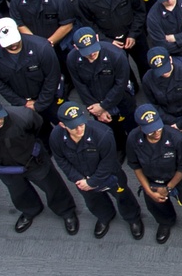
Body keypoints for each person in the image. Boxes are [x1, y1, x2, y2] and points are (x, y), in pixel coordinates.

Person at [0, 95, 77, 233]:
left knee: (53, 186)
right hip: (5, 166)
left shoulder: (22, 116)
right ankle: (30, 210)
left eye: (0, 116)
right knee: (18, 192)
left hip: (33, 161)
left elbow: (37, 125)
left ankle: (66, 211)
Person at [49, 98, 143, 239]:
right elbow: (61, 160)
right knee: (93, 200)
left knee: (123, 196)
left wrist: (92, 182)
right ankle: (104, 216)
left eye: (81, 124)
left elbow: (108, 162)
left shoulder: (102, 134)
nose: (80, 129)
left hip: (109, 176)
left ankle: (132, 217)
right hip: (82, 178)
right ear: (62, 125)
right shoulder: (56, 137)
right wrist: (78, 179)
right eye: (74, 127)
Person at [126, 104, 182, 243]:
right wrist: (148, 190)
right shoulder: (133, 139)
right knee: (155, 202)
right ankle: (165, 221)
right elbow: (135, 166)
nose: (156, 133)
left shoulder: (176, 138)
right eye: (151, 131)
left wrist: (168, 188)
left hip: (177, 179)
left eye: (158, 128)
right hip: (151, 179)